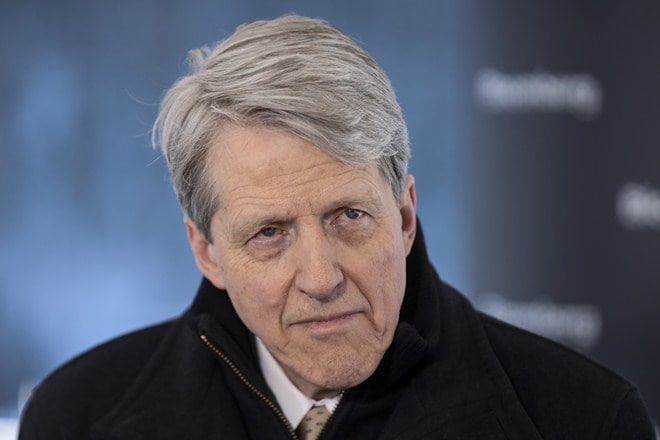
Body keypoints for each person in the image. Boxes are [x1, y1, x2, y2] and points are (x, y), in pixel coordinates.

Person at [19, 15, 654, 440]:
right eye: (269, 233)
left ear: (403, 217)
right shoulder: (73, 417)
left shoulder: (587, 421)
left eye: (349, 216)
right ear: (206, 252)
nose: (321, 279)